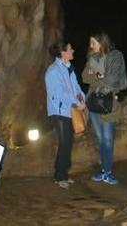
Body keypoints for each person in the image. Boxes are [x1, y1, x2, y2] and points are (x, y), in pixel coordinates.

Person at [82, 33, 127, 185]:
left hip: (109, 104)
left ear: (102, 43)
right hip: (95, 104)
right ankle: (103, 170)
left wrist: (97, 75)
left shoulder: (116, 56)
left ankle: (108, 172)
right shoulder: (92, 58)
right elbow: (84, 77)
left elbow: (113, 79)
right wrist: (100, 75)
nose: (91, 46)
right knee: (100, 139)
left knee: (108, 140)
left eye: (93, 43)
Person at [44, 39, 85, 189]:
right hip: (59, 111)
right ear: (63, 52)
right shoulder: (53, 71)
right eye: (70, 48)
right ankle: (60, 176)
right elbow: (58, 94)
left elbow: (77, 88)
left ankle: (61, 174)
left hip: (70, 110)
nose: (73, 50)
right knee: (65, 143)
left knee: (67, 143)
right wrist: (75, 102)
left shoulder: (68, 69)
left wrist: (82, 99)